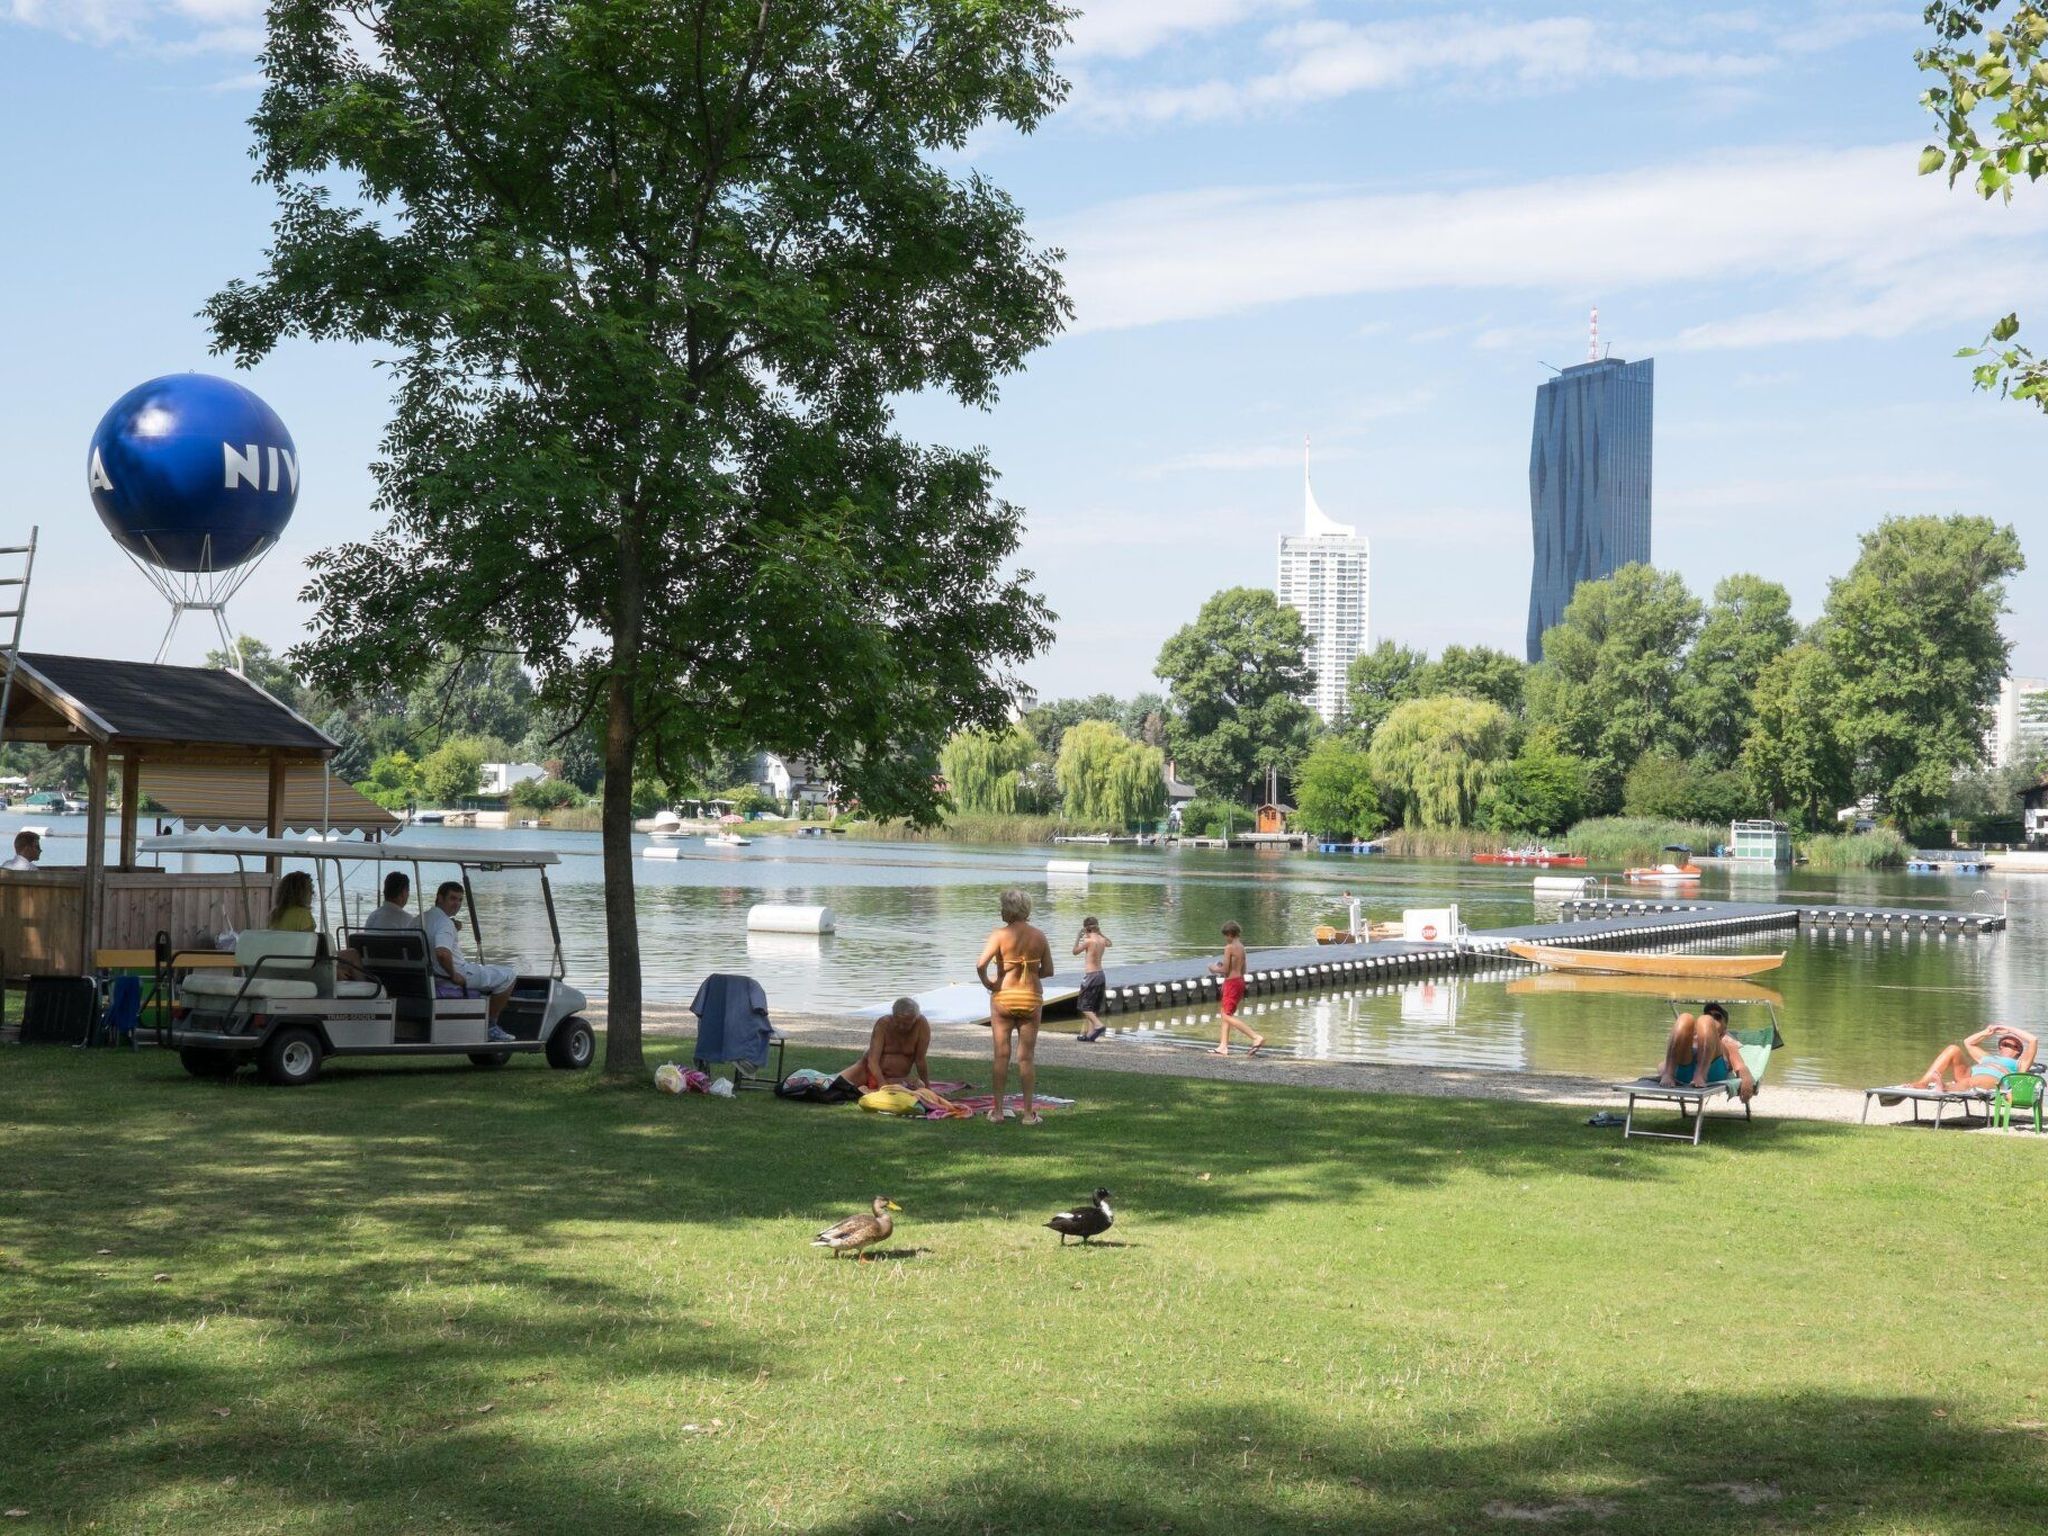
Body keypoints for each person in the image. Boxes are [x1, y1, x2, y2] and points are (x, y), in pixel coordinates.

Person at [976, 888, 1053, 1125]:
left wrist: (989, 982)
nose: (1000, 911)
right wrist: (1029, 971)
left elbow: (980, 965)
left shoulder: (999, 935)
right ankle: (1028, 1114)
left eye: (1002, 907)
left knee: (1001, 1055)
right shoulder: (1039, 936)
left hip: (1004, 998)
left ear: (1009, 910)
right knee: (1026, 1058)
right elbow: (1048, 971)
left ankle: (998, 1112)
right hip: (1030, 998)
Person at [424, 880, 517, 1041]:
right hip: (453, 974)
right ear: (439, 898)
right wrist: (454, 975)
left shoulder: (423, 918)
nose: (457, 904)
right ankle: (490, 1026)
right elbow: (442, 953)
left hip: (433, 975)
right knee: (509, 975)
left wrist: (452, 927)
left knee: (492, 971)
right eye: (453, 898)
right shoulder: (444, 923)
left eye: (460, 900)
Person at [1656, 1001, 1756, 1102]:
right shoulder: (1691, 1038)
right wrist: (1663, 1070)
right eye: (1708, 1014)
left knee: (1706, 1020)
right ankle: (1669, 1073)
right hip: (1683, 1072)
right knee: (1685, 1017)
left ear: (1725, 1027)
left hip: (1711, 1073)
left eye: (1717, 1017)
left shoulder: (1727, 1043)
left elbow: (1740, 1067)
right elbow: (1661, 1065)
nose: (1712, 1018)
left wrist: (1747, 1081)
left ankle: (1701, 1074)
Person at [837, 997, 933, 1092]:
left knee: (920, 1084)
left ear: (915, 1018)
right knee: (830, 1084)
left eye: (906, 1024)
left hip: (895, 1079)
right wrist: (881, 1083)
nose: (901, 1027)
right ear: (893, 1015)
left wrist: (927, 1087)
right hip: (867, 1071)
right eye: (898, 1022)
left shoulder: (921, 1025)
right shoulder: (883, 1024)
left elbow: (920, 1060)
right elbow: (872, 1060)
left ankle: (867, 1090)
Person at [1910, 1024, 2038, 1093]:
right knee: (1953, 1048)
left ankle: (1944, 1087)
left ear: (2019, 1051)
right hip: (1968, 1074)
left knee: (1971, 1082)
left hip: (1997, 1080)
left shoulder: (2020, 1064)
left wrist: (2009, 1029)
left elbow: (2033, 1040)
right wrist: (1987, 1032)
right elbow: (1968, 1042)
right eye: (2004, 1044)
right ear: (1999, 1047)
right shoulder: (1988, 1057)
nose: (2006, 1047)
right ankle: (1924, 1082)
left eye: (2012, 1045)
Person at [1208, 920, 1265, 1058]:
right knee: (1226, 1013)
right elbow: (1244, 968)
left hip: (1232, 983)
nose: (1225, 938)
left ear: (1230, 934)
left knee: (1226, 1016)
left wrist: (1213, 968)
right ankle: (1223, 1046)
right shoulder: (1242, 947)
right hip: (1240, 981)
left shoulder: (1229, 947)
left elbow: (1225, 969)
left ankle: (1255, 1037)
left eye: (1226, 935)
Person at [1073, 915, 1111, 1042]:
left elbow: (1075, 951)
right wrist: (1100, 933)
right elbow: (1110, 943)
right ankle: (1090, 1034)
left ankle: (1098, 1025)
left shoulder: (1088, 941)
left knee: (1083, 1006)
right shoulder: (1101, 940)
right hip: (1101, 975)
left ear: (1086, 929)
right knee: (1093, 1007)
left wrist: (1078, 937)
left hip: (1091, 976)